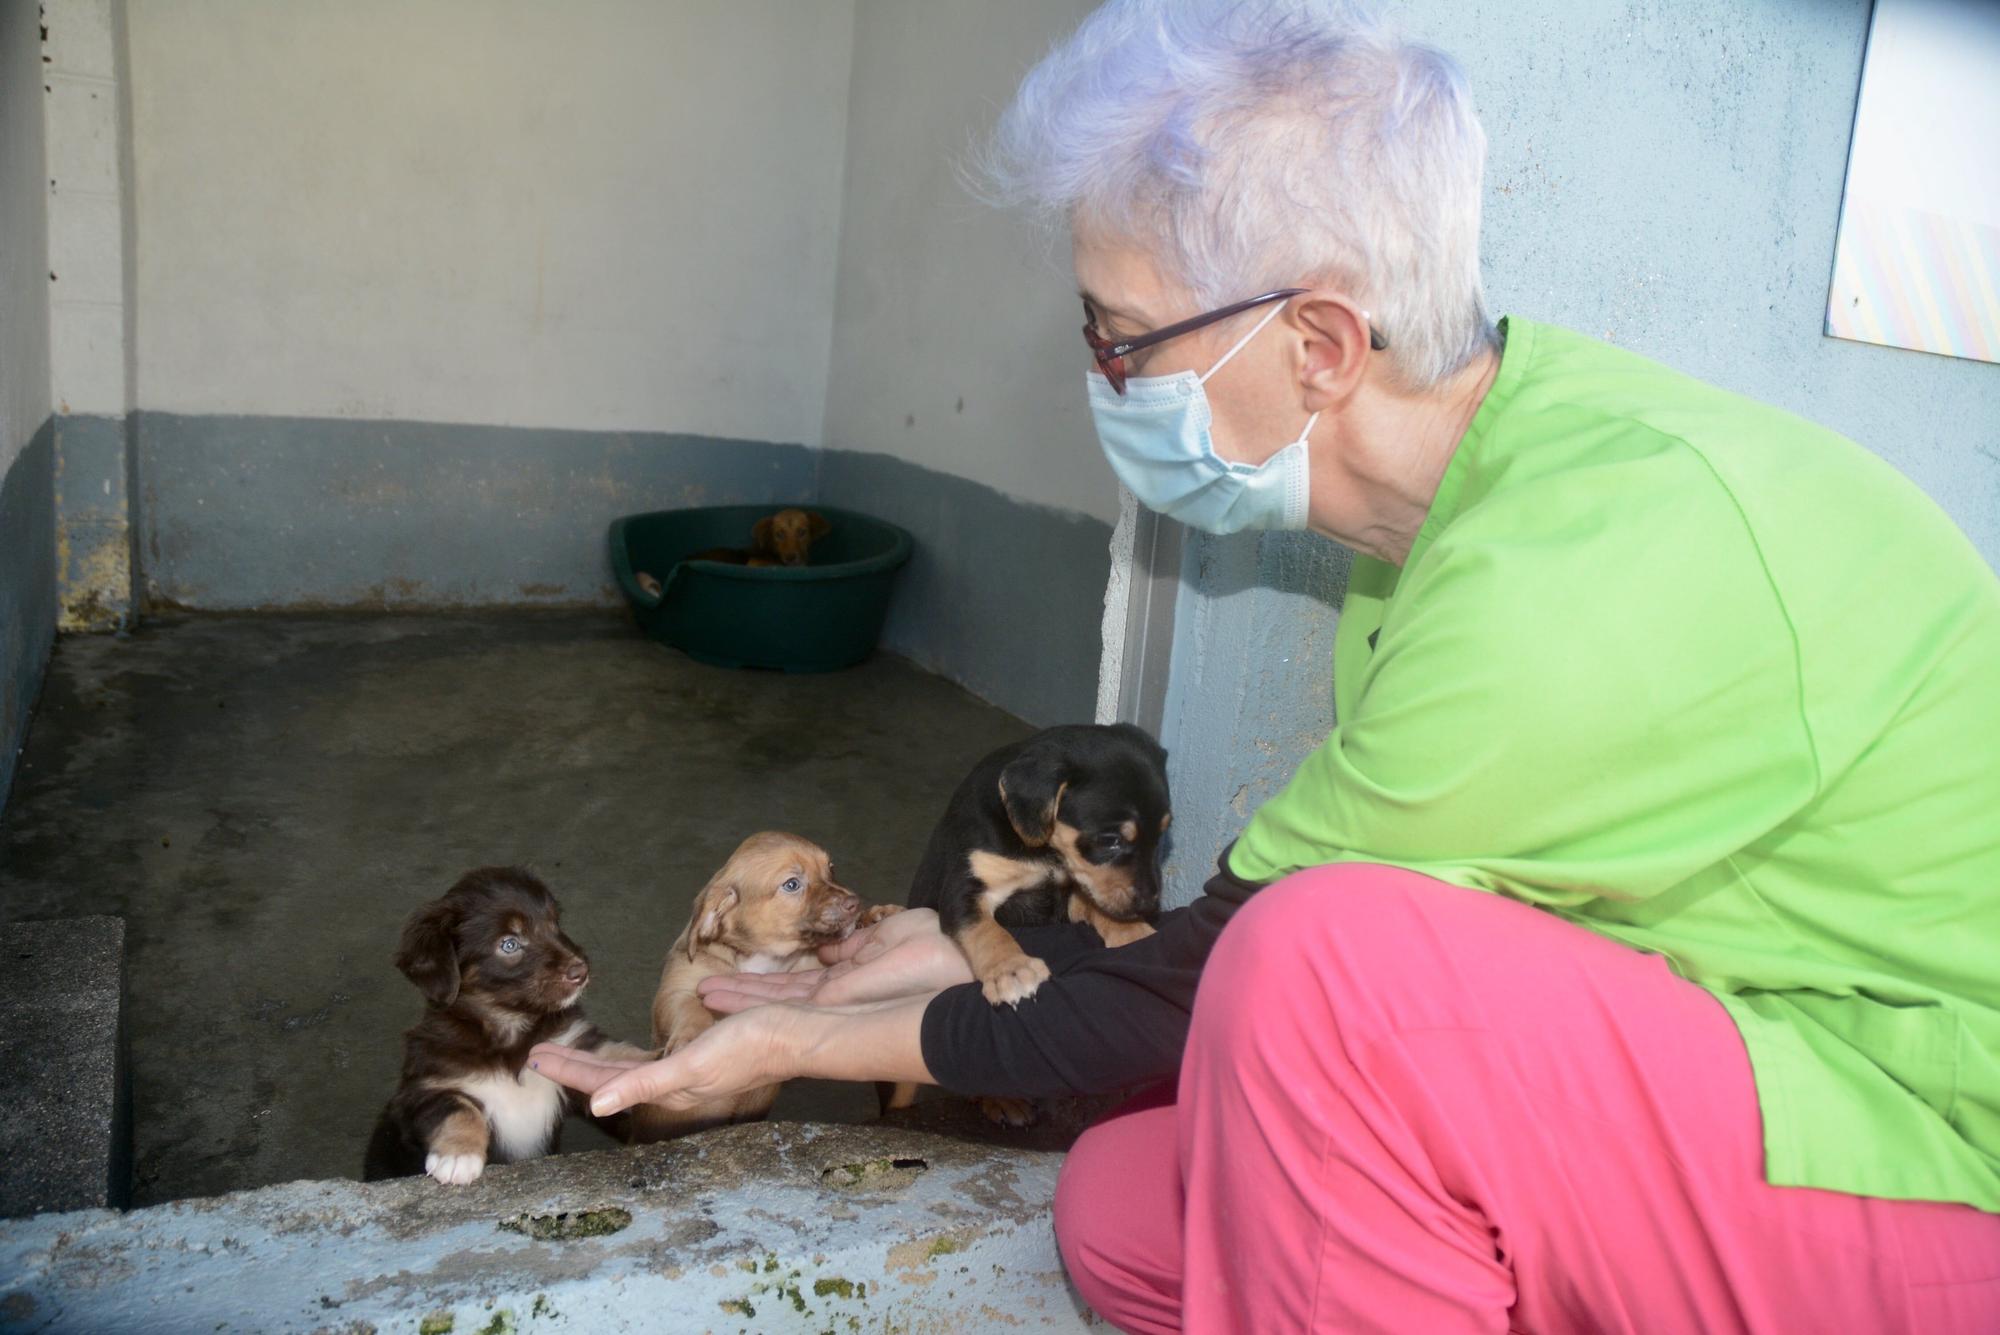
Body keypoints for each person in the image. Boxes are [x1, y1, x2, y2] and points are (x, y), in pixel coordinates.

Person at [532, 1, 2000, 1328]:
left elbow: (1237, 967)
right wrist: (963, 959)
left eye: (1120, 342)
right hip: (1729, 1049)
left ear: (1315, 345)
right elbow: (1214, 967)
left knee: (1321, 979)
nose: (1102, 378)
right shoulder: (1451, 522)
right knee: (1126, 1212)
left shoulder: (1577, 570)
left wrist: (807, 1036)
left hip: (1926, 1152)